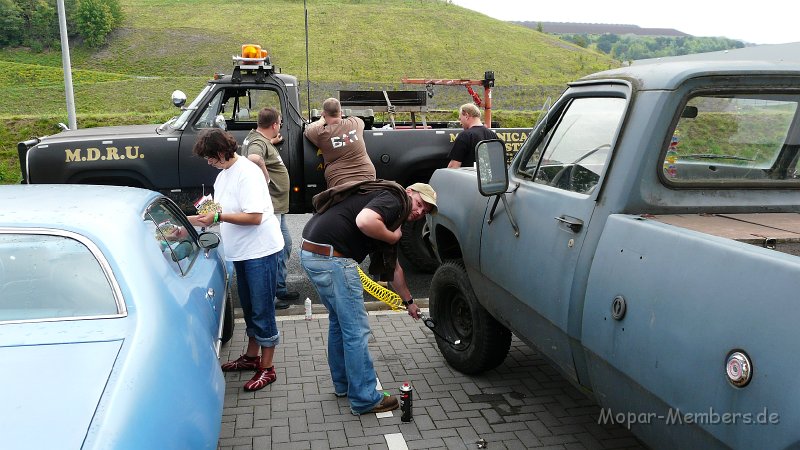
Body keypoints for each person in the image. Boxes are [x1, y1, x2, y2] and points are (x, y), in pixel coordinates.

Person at [300, 180, 437, 415]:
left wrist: (410, 303)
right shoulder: (396, 199)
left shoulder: (388, 213)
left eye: (424, 211)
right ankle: (365, 398)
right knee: (356, 330)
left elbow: (394, 270)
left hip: (312, 252)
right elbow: (364, 221)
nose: (419, 211)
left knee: (339, 323)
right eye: (419, 203)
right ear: (409, 192)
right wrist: (393, 237)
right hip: (333, 260)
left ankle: (343, 385)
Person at [188, 128, 284, 392]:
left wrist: (217, 219)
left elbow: (254, 217)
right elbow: (216, 212)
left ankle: (267, 368)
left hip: (260, 251)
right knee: (250, 306)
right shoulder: (222, 176)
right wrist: (188, 223)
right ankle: (252, 357)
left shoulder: (247, 173)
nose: (208, 162)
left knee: (262, 308)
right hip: (241, 252)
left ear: (221, 152)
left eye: (210, 157)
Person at [243, 107, 298, 309]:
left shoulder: (260, 139)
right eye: (280, 123)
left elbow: (259, 149)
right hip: (271, 206)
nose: (280, 126)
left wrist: (272, 143)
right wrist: (266, 176)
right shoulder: (258, 142)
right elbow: (253, 158)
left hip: (277, 206)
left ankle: (279, 289)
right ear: (274, 124)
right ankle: (271, 297)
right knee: (273, 250)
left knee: (285, 245)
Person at [303, 97, 376, 187]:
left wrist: (321, 121)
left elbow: (308, 129)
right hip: (367, 176)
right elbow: (361, 121)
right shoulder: (355, 123)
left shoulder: (321, 134)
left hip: (340, 180)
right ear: (341, 113)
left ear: (323, 114)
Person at [447, 103, 499, 168]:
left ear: (466, 115)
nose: (460, 123)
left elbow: (453, 166)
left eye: (460, 119)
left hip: (468, 177)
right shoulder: (493, 135)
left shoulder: (464, 136)